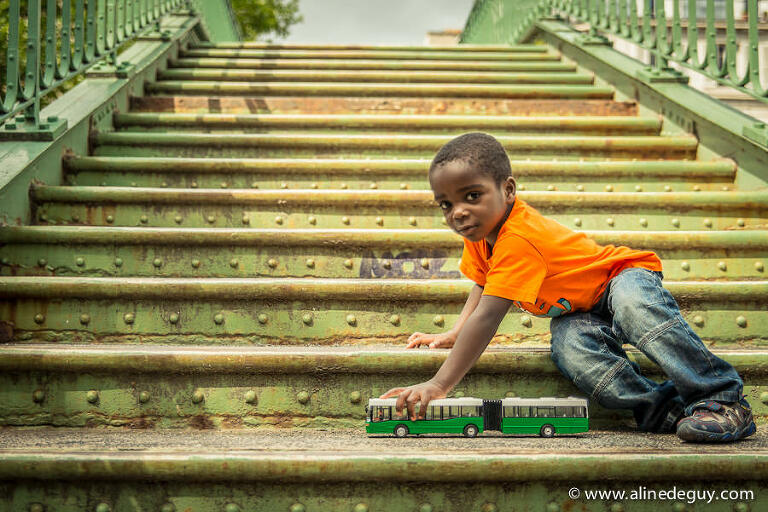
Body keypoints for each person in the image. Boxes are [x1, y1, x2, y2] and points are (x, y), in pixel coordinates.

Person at [379, 132, 756, 443]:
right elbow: (482, 283)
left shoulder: (518, 239)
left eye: (472, 196)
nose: (458, 212)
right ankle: (664, 410)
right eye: (446, 204)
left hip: (618, 278)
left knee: (634, 306)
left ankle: (719, 397)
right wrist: (454, 333)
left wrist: (439, 384)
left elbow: (489, 316)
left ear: (508, 190)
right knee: (571, 349)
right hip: (580, 311)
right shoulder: (480, 234)